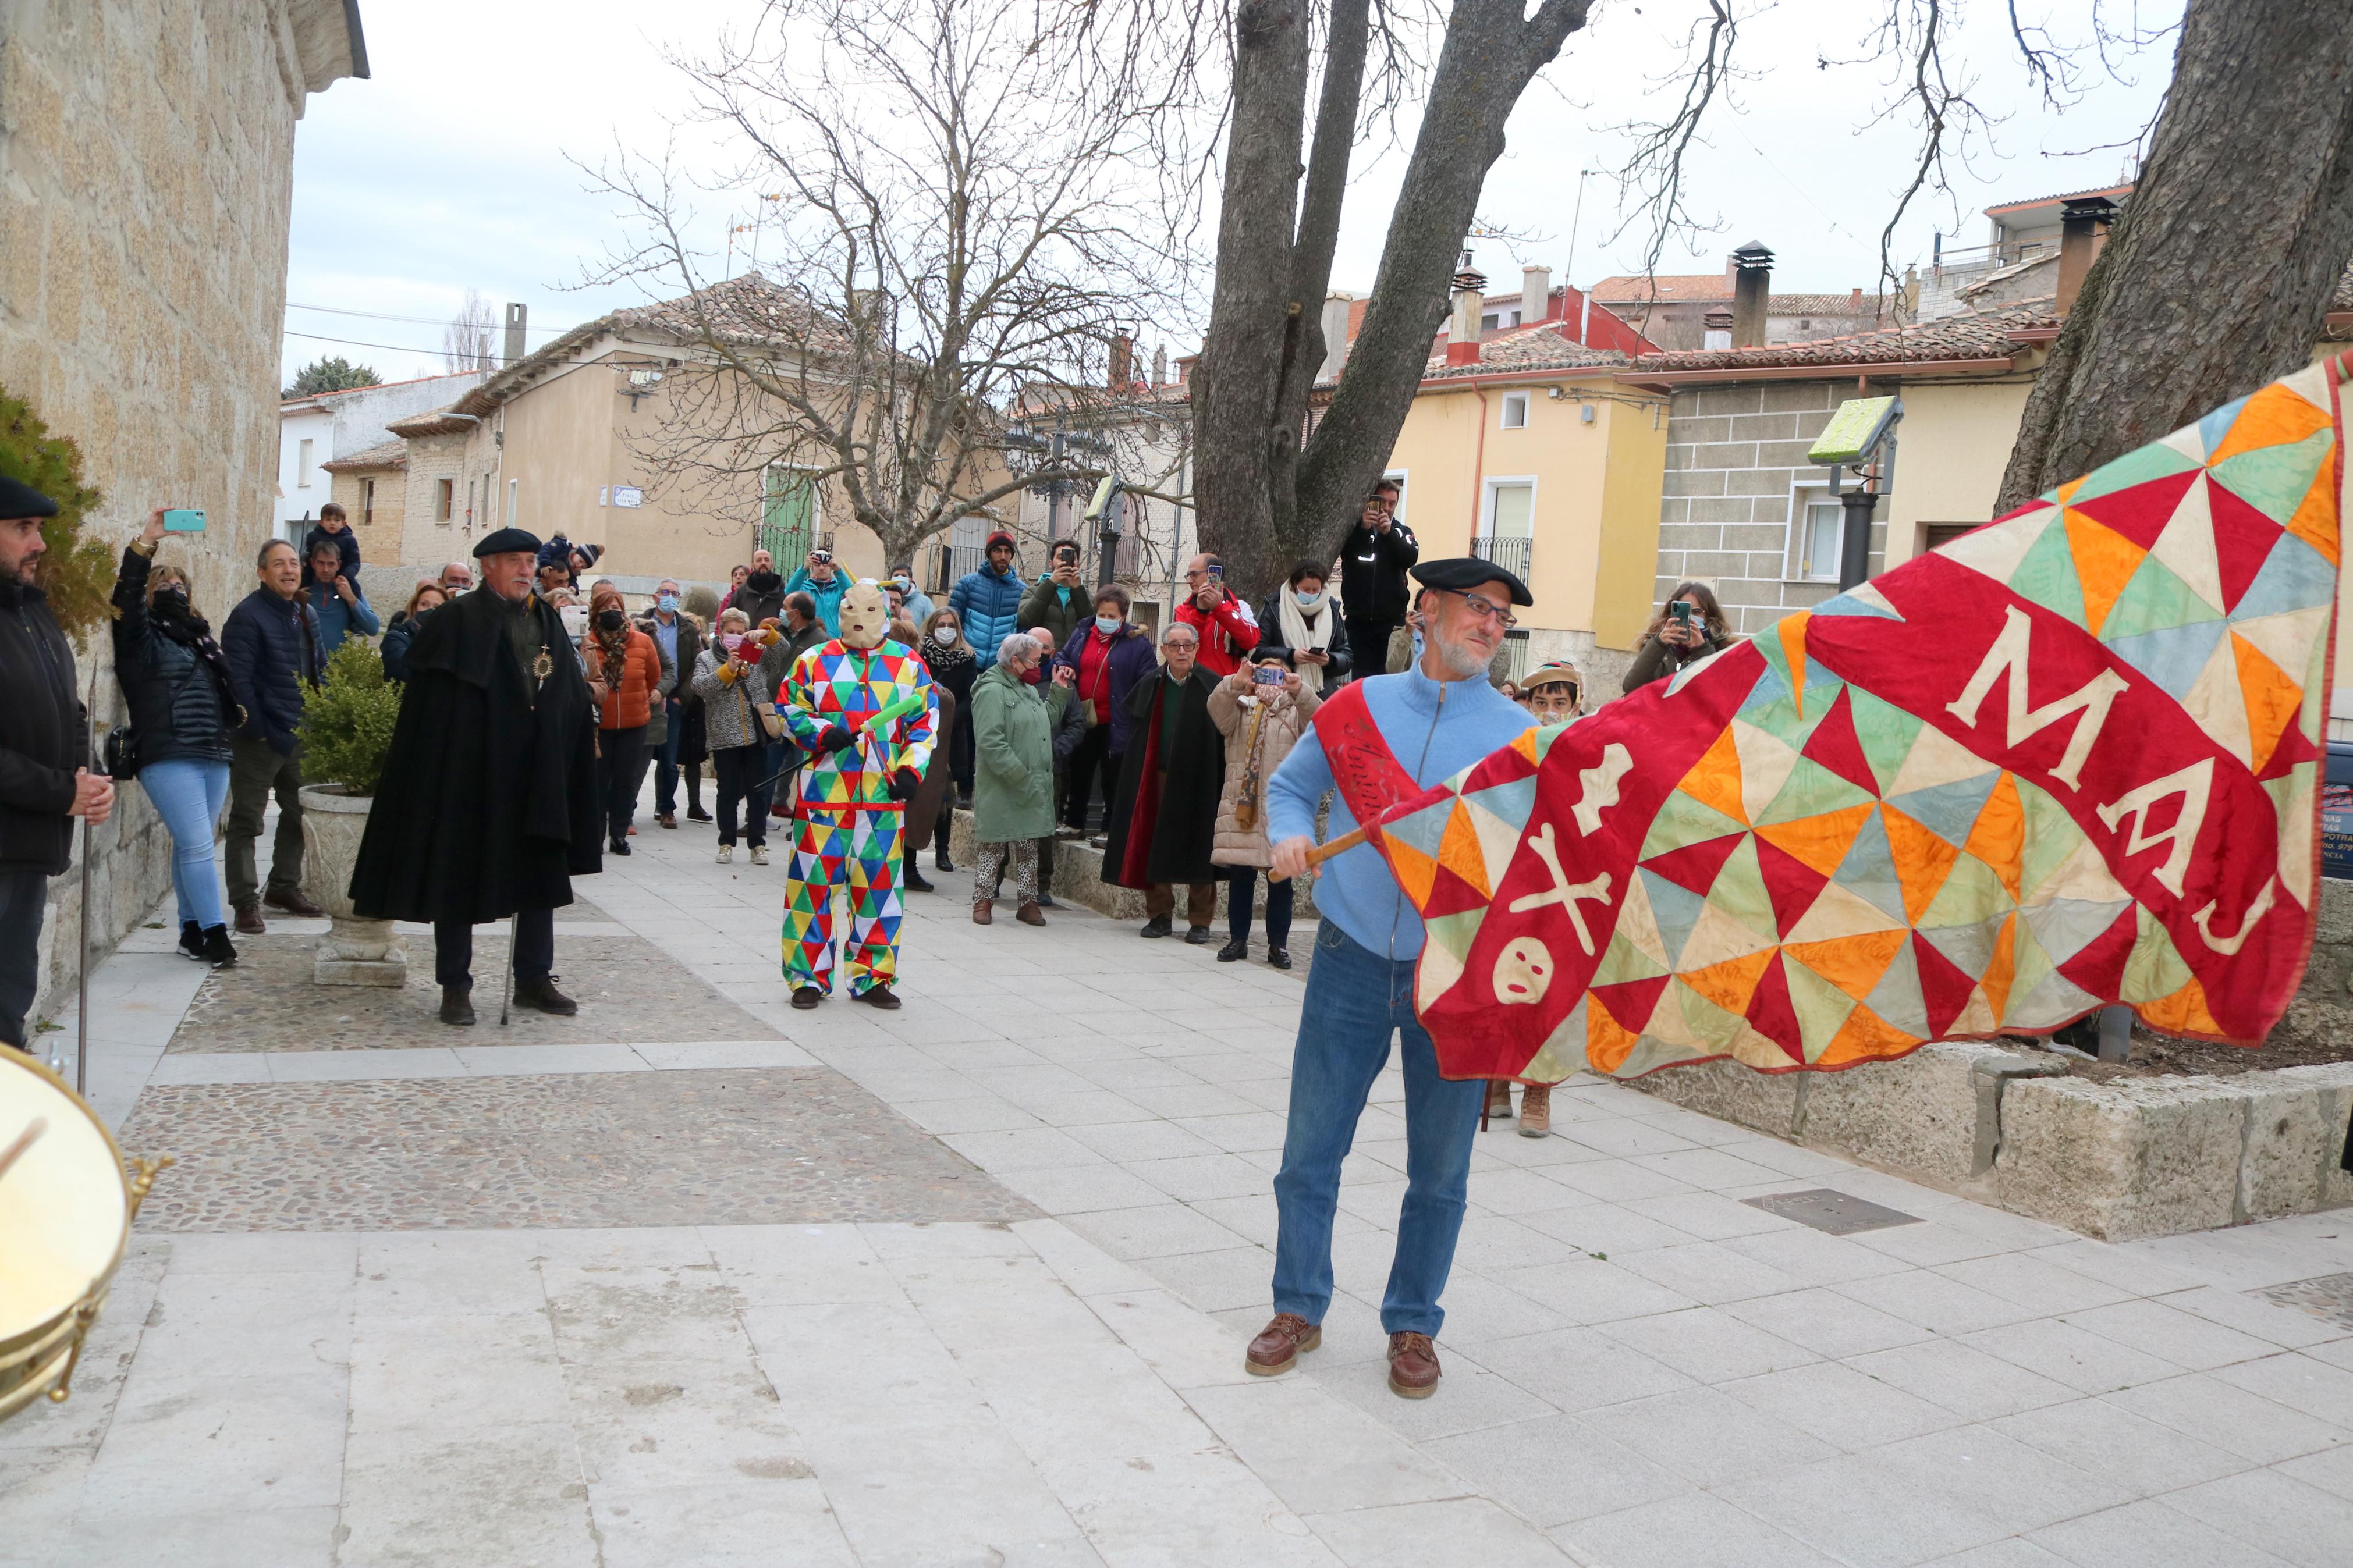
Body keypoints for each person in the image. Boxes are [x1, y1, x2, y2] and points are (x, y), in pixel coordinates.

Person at [1250, 557, 1535, 1400]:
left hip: (1457, 974)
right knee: (1308, 1154)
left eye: (1501, 615)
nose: (1490, 625)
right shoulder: (1355, 707)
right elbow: (1292, 787)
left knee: (1439, 1170)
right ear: (1426, 611)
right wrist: (1288, 835)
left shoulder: (1519, 734)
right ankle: (1296, 1305)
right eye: (1476, 608)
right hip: (1346, 960)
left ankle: (1413, 1321)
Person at [349, 527, 602, 1026]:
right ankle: (455, 986)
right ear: (487, 567)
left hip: (534, 775)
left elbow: (566, 691)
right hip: (469, 777)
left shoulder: (547, 620)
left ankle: (533, 978)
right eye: (514, 561)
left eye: (530, 561)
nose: (526, 570)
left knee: (538, 876)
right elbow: (433, 710)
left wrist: (555, 727)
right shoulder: (453, 621)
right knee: (458, 877)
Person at [775, 579, 935, 1009]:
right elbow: (788, 708)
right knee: (812, 887)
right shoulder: (814, 660)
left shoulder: (909, 665)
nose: (859, 621)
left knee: (879, 890)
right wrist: (822, 732)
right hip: (825, 795)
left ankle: (872, 976)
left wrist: (909, 771)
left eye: (868, 612)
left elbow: (923, 723)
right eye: (851, 611)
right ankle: (807, 976)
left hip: (882, 799)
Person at [0, 481, 113, 1052]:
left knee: (9, 1007)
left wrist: (87, 778)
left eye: (39, 529)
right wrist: (59, 792)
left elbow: (69, 707)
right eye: (23, 529)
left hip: (25, 853)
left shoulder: (34, 615)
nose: (39, 543)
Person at [112, 510, 243, 967]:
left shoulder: (200, 640)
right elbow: (126, 598)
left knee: (194, 843)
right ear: (149, 595)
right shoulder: (139, 638)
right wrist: (145, 543)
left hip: (212, 751)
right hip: (168, 752)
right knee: (198, 845)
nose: (174, 590)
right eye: (163, 585)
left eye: (180, 584)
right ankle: (216, 934)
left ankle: (190, 930)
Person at [221, 538, 326, 934]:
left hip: (302, 733)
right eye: (278, 564)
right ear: (262, 572)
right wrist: (260, 731)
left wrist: (322, 716)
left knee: (300, 815)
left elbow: (319, 668)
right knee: (247, 821)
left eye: (293, 563)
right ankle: (245, 901)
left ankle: (283, 887)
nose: (289, 570)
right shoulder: (247, 616)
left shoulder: (306, 612)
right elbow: (238, 681)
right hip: (261, 739)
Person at [1101, 622, 1225, 941]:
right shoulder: (1150, 684)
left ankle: (1201, 921)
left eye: (1187, 645)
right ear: (1164, 650)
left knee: (1200, 845)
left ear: (1197, 648)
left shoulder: (1214, 686)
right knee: (1153, 842)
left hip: (1200, 778)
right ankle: (1159, 916)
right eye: (1174, 645)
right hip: (1157, 776)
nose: (1181, 651)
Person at [1208, 649, 1319, 970]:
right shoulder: (1240, 710)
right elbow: (1215, 708)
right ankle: (1238, 940)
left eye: (1278, 675)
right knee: (1241, 878)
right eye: (1264, 674)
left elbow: (1321, 720)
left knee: (1281, 881)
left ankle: (1278, 946)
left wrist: (1299, 691)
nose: (1271, 681)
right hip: (1244, 807)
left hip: (1281, 810)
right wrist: (1235, 682)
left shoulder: (1295, 713)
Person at [967, 632, 1062, 927]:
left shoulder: (1028, 689)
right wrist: (1019, 774)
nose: (1039, 666)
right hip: (1003, 782)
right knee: (993, 845)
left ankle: (1028, 901)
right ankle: (983, 901)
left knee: (1029, 846)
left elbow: (1043, 723)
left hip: (1031, 783)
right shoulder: (991, 691)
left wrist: (1059, 692)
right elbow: (990, 741)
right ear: (1015, 661)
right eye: (1035, 660)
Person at [1057, 586, 1158, 842]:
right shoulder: (1082, 633)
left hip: (1117, 722)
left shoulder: (1138, 644)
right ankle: (1074, 823)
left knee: (1114, 779)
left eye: (1112, 616)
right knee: (1079, 771)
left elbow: (1148, 681)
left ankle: (1111, 829)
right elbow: (1064, 656)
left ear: (1123, 617)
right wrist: (1066, 667)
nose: (1106, 620)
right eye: (1102, 614)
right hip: (1083, 718)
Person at [693, 607, 776, 865]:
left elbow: (782, 651)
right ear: (720, 632)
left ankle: (758, 844)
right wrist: (727, 670)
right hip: (724, 735)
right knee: (727, 791)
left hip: (756, 733)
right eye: (731, 632)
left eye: (741, 633)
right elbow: (699, 687)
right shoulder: (706, 658)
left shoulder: (757, 655)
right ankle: (726, 842)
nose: (736, 637)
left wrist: (767, 634)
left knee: (758, 791)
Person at [584, 585, 663, 856]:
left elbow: (653, 676)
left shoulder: (641, 641)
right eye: (605, 610)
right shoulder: (588, 642)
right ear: (595, 613)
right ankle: (594, 836)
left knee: (625, 782)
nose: (611, 614)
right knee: (597, 782)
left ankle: (619, 834)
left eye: (615, 610)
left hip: (634, 724)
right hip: (600, 725)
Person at [1024, 624, 1085, 908]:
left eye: (1043, 648)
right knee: (1003, 824)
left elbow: (1077, 724)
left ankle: (1041, 884)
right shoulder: (1012, 680)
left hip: (1050, 767)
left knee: (1043, 827)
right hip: (1012, 764)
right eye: (1031, 645)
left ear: (1052, 652)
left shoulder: (1063, 685)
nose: (1037, 652)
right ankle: (994, 880)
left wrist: (1054, 751)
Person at [638, 579, 702, 829]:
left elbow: (696, 665)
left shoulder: (687, 628)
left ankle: (667, 809)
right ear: (656, 597)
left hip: (673, 699)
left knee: (670, 759)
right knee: (637, 758)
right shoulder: (640, 624)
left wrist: (680, 697)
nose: (671, 597)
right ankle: (626, 808)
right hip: (643, 698)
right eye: (666, 592)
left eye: (675, 594)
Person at [918, 607, 976, 870]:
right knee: (920, 792)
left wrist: (950, 719)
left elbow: (969, 695)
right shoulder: (920, 654)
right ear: (932, 626)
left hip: (953, 731)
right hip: (922, 728)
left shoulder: (967, 657)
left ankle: (943, 850)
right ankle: (911, 854)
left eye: (951, 625)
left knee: (946, 795)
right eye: (941, 624)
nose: (946, 629)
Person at [1340, 482, 1418, 677]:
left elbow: (1410, 558)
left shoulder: (1402, 532)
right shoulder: (1354, 530)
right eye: (1383, 502)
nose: (1387, 508)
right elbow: (1346, 553)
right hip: (1359, 622)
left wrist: (1388, 534)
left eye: (1393, 504)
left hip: (1391, 623)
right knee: (1361, 681)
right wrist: (1363, 530)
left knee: (1389, 677)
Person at [762, 592, 826, 821]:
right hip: (773, 713)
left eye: (784, 607)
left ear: (796, 613)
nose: (781, 611)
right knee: (767, 768)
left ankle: (801, 824)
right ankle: (757, 820)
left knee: (804, 771)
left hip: (802, 716)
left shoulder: (821, 643)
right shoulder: (777, 634)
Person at [1257, 560, 1352, 694]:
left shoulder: (1332, 610)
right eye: (1306, 590)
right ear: (1295, 586)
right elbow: (1257, 651)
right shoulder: (1275, 607)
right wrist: (1291, 656)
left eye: (1315, 590)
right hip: (1281, 690)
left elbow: (1346, 656)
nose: (1311, 594)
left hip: (1322, 692)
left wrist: (1330, 661)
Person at [1623, 580, 1733, 692]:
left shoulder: (1722, 648)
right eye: (1682, 611)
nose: (1690, 617)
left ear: (1709, 616)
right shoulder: (1656, 645)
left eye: (1697, 611)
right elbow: (1631, 687)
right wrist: (1659, 645)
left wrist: (1702, 650)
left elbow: (1720, 694)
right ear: (1672, 613)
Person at [1174, 553, 1260, 677]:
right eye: (1188, 575)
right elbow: (1183, 645)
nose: (1189, 581)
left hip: (1227, 689)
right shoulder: (1183, 610)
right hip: (1192, 686)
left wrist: (1220, 608)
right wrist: (1201, 612)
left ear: (1214, 575)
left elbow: (1250, 641)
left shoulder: (1240, 607)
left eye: (1194, 575)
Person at [949, 530, 1025, 657]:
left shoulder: (1022, 590)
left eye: (1007, 551)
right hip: (967, 660)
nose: (1003, 556)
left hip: (1002, 667)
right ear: (989, 553)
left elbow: (1023, 630)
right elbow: (953, 622)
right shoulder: (967, 584)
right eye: (997, 550)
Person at [303, 534, 380, 657]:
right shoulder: (302, 592)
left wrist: (351, 599)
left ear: (339, 565)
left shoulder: (348, 590)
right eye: (321, 563)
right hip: (307, 670)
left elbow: (373, 628)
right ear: (313, 563)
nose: (326, 569)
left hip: (338, 672)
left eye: (331, 564)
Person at [1018, 541, 1089, 652]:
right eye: (1060, 557)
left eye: (1071, 558)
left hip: (1074, 662)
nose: (1065, 562)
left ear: (1078, 565)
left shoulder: (1086, 596)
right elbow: (1025, 621)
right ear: (1051, 563)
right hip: (1042, 660)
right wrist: (1051, 584)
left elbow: (1091, 626)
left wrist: (1078, 591)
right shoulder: (1033, 591)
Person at [381, 582, 448, 683]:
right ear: (414, 607)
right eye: (424, 604)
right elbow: (404, 672)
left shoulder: (449, 642)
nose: (430, 610)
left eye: (437, 608)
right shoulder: (396, 637)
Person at [783, 548, 846, 633]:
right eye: (817, 565)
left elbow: (851, 593)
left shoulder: (838, 588)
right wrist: (805, 568)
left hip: (832, 639)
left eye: (825, 565)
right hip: (808, 638)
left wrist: (838, 571)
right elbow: (789, 592)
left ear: (831, 568)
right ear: (812, 567)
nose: (821, 568)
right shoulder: (804, 588)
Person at [300, 502, 361, 588]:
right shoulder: (313, 537)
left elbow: (354, 563)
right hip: (314, 577)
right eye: (328, 519)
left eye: (337, 520)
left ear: (344, 524)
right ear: (321, 522)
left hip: (341, 577)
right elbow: (308, 557)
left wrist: (346, 576)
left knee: (355, 590)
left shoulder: (349, 540)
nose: (332, 523)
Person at [736, 548, 789, 628]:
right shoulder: (742, 592)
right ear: (753, 566)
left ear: (772, 565)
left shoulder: (783, 592)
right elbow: (730, 619)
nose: (763, 563)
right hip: (748, 639)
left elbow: (789, 622)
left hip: (775, 639)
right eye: (759, 560)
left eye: (767, 560)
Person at [890, 564, 935, 629]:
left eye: (904, 575)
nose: (899, 578)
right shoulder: (884, 599)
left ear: (910, 580)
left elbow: (932, 625)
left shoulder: (925, 602)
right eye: (896, 575)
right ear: (891, 579)